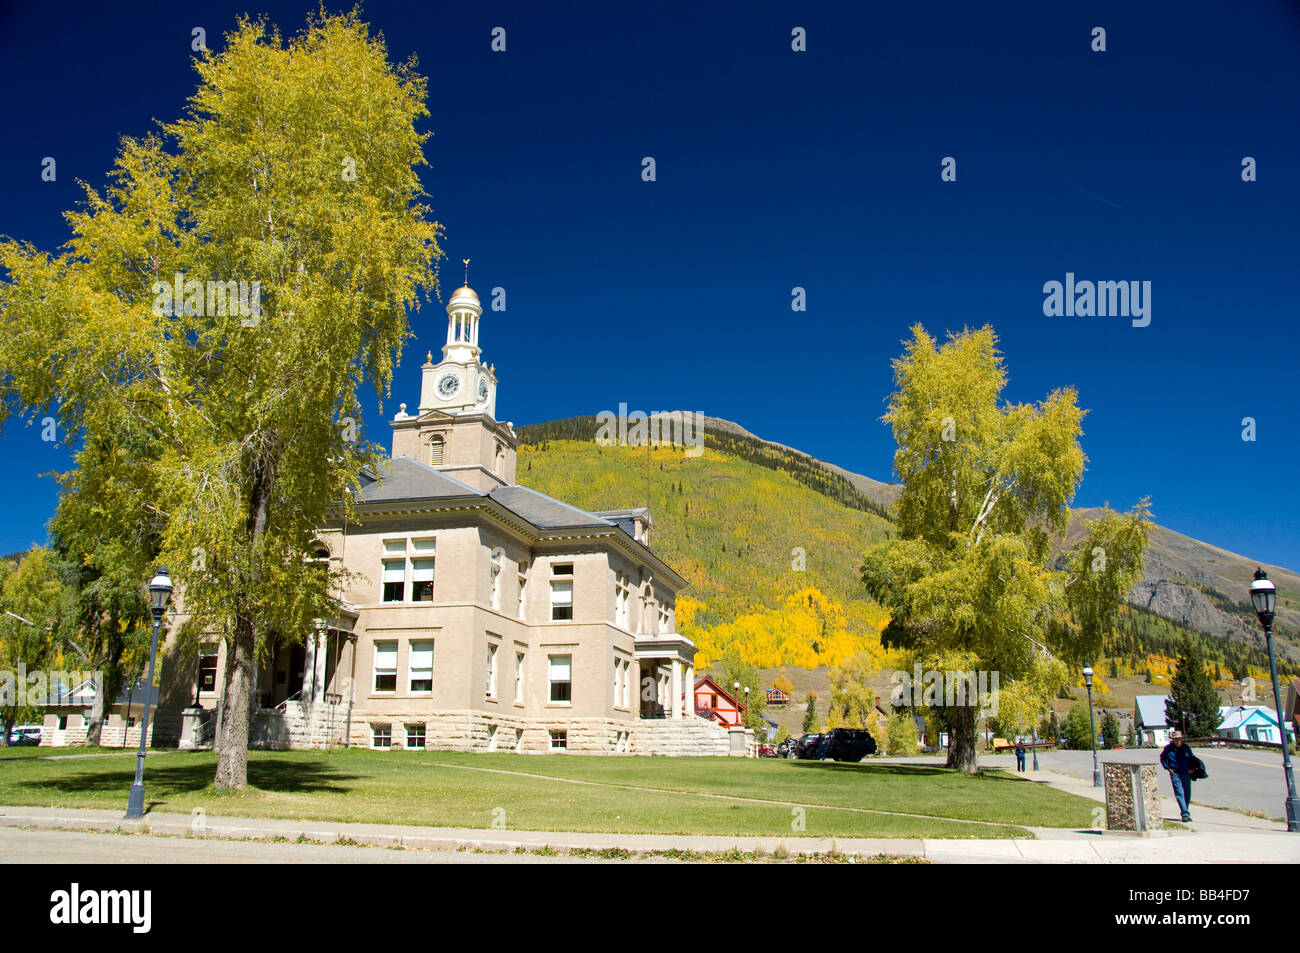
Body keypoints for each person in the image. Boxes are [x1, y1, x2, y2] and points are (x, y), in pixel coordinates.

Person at [1159, 730, 1198, 822]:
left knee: (1187, 793)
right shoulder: (1168, 749)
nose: (1178, 741)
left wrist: (1192, 768)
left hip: (1186, 773)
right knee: (1179, 793)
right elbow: (1163, 759)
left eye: (1179, 739)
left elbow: (1192, 759)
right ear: (1173, 740)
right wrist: (1168, 768)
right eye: (1176, 739)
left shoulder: (1186, 748)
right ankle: (1185, 814)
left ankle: (1185, 810)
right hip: (1175, 773)